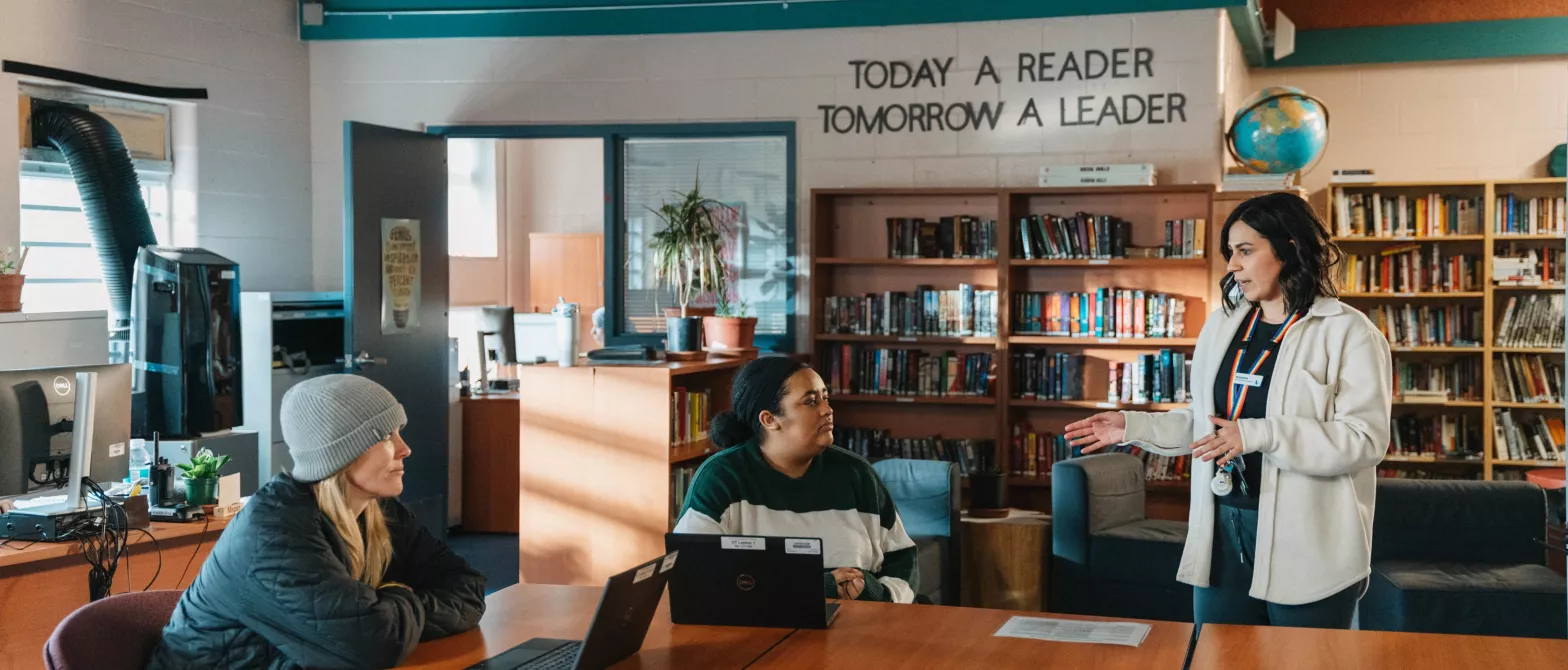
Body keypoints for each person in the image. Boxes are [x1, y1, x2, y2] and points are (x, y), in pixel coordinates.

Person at [1063, 192, 1392, 630]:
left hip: (1309, 545)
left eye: (1245, 250)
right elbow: (1206, 423)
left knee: (1303, 660)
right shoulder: (1223, 325)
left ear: (1289, 247)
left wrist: (1258, 434)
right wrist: (1131, 425)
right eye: (1230, 253)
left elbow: (1364, 440)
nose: (1233, 265)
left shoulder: (1349, 332)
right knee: (1215, 657)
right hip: (1221, 534)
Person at [150, 375, 486, 669]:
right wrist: (400, 593)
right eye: (386, 436)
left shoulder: (377, 511)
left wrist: (387, 608)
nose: (404, 448)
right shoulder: (273, 535)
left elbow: (467, 588)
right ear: (343, 453)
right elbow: (373, 643)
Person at [673, 357, 920, 604]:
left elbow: (903, 560)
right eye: (811, 401)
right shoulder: (721, 479)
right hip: (758, 626)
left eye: (826, 398)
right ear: (769, 419)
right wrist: (816, 588)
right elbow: (693, 574)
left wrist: (877, 596)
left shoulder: (857, 474)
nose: (828, 410)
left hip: (862, 624)